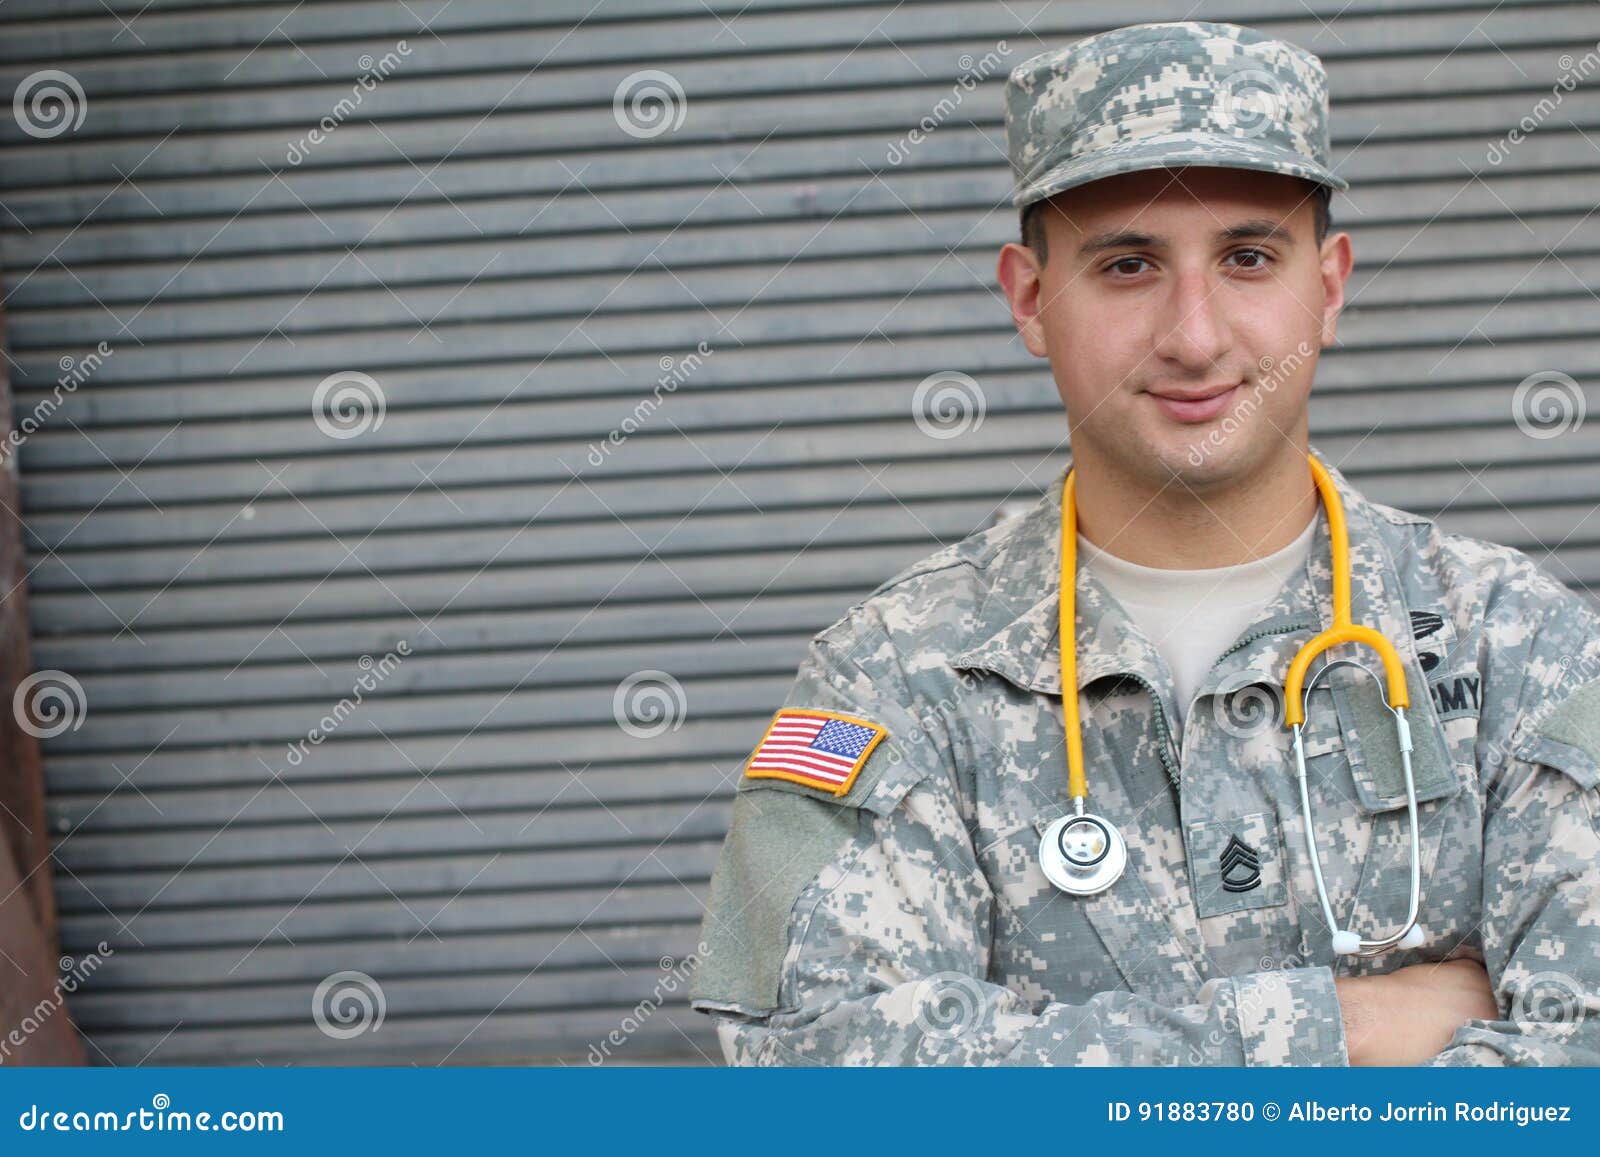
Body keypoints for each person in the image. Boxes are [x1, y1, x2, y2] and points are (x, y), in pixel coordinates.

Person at [687, 20, 1600, 1066]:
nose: (1195, 335)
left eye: (1248, 256)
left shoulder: (1514, 646)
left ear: (1330, 287)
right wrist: (1343, 1027)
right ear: (1030, 300)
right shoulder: (893, 674)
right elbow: (817, 1075)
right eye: (1127, 265)